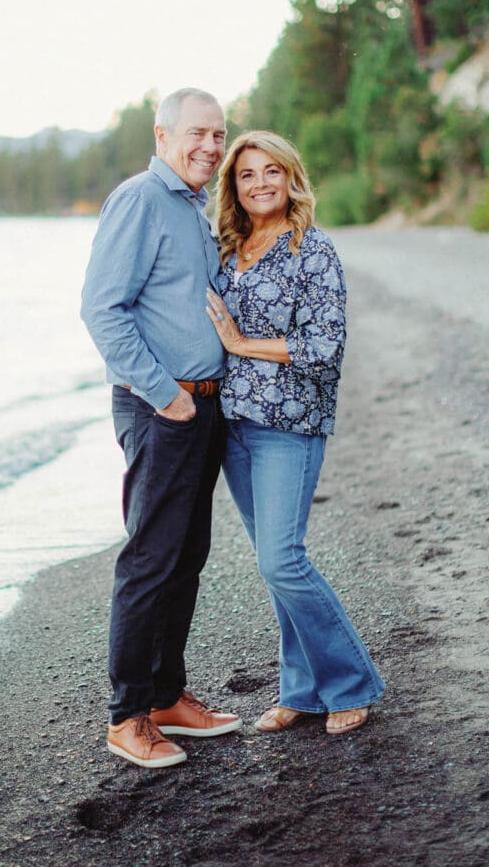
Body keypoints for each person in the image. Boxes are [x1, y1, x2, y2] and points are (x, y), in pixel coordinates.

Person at [80, 87, 241, 769]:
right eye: (198, 133)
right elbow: (101, 310)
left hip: (202, 406)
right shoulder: (141, 200)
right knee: (151, 559)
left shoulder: (192, 209)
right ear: (164, 134)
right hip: (162, 408)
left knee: (187, 554)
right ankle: (128, 717)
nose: (210, 146)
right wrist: (164, 394)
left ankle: (168, 695)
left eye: (218, 135)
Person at [205, 130, 385, 736]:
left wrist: (239, 344)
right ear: (234, 185)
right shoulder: (228, 249)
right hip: (234, 428)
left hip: (289, 426)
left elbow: (324, 349)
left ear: (290, 178)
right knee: (270, 562)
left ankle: (351, 683)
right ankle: (301, 689)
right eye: (247, 174)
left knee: (283, 559)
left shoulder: (314, 249)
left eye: (271, 172)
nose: (260, 183)